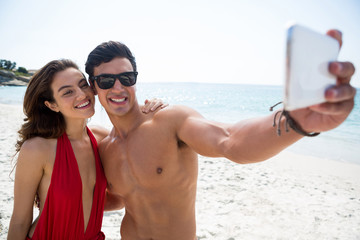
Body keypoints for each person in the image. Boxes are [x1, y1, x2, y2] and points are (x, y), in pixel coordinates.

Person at [84, 30, 356, 240]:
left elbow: (230, 140)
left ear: (135, 79)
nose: (118, 87)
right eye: (107, 81)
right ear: (94, 88)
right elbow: (119, 199)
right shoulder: (104, 146)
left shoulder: (169, 121)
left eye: (127, 78)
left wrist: (295, 121)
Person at [7, 59, 167, 240]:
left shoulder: (102, 139)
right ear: (52, 105)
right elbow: (20, 220)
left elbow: (118, 199)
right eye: (68, 92)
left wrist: (153, 113)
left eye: (83, 85)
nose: (82, 94)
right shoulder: (37, 149)